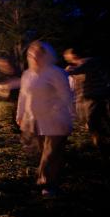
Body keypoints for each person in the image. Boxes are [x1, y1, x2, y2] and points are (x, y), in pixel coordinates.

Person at [17, 41, 73, 196]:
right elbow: (23, 96)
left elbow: (66, 96)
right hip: (35, 120)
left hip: (56, 120)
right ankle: (50, 180)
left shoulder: (55, 72)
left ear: (46, 56)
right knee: (45, 151)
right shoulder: (27, 74)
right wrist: (20, 114)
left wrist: (53, 109)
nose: (34, 58)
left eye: (38, 55)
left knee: (50, 152)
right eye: (31, 55)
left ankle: (46, 182)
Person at [64, 48, 110, 150]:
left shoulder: (87, 62)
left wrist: (62, 71)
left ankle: (101, 145)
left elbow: (73, 70)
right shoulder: (84, 64)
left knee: (94, 123)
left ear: (74, 56)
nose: (68, 61)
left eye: (68, 58)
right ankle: (100, 142)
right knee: (95, 123)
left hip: (95, 98)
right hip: (90, 99)